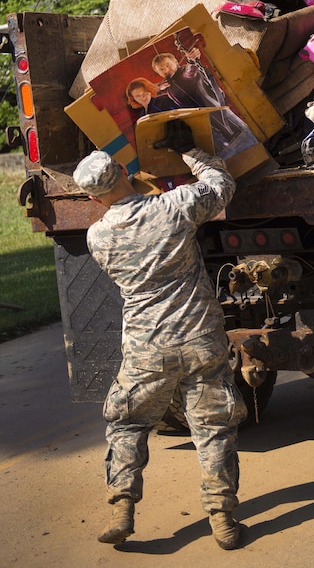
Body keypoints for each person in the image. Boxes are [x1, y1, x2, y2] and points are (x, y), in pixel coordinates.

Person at [72, 120, 247, 550]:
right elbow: (221, 185)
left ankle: (122, 509)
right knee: (213, 427)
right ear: (125, 174)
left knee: (128, 422)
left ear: (93, 197)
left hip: (146, 349)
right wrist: (190, 152)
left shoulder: (97, 236)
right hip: (201, 338)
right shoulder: (174, 207)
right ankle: (222, 519)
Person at [151, 50, 255, 156]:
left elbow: (189, 72)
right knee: (232, 150)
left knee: (246, 139)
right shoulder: (169, 85)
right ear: (158, 73)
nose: (166, 70)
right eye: (161, 69)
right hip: (206, 121)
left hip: (218, 113)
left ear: (176, 61)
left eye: (168, 65)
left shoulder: (183, 73)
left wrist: (191, 61)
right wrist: (158, 88)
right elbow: (152, 92)